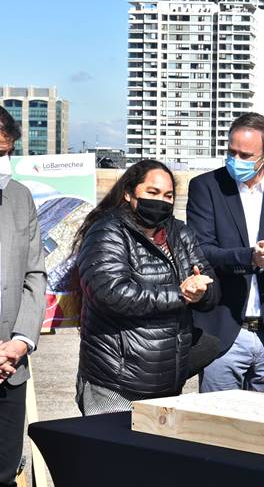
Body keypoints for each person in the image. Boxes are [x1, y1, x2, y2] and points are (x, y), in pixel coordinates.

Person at [74, 159, 219, 415]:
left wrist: (202, 290)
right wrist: (181, 294)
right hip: (116, 381)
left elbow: (209, 282)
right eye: (152, 192)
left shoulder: (180, 233)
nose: (161, 201)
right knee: (112, 453)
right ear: (129, 193)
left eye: (168, 195)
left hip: (167, 380)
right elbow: (111, 294)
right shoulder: (107, 231)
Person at [186, 113, 264, 392]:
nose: (235, 160)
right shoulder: (206, 187)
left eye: (245, 155)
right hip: (224, 330)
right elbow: (201, 251)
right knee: (215, 427)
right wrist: (250, 258)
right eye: (231, 152)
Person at [0, 107, 46, 487]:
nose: (4, 163)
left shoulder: (19, 197)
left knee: (5, 470)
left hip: (10, 368)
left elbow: (35, 272)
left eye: (7, 153)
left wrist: (20, 341)